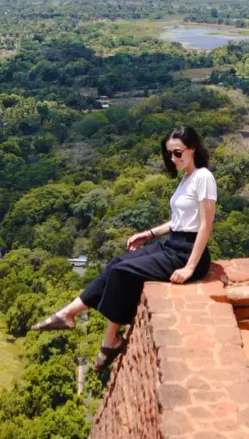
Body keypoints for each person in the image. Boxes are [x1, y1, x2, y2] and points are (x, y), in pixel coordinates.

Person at [31, 125, 217, 371]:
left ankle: (106, 339)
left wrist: (190, 267)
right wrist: (149, 234)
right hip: (172, 242)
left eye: (178, 153)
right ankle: (71, 315)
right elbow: (181, 220)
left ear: (192, 149)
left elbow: (205, 225)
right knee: (116, 263)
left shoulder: (204, 177)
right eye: (169, 154)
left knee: (123, 272)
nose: (173, 159)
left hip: (187, 253)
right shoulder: (187, 178)